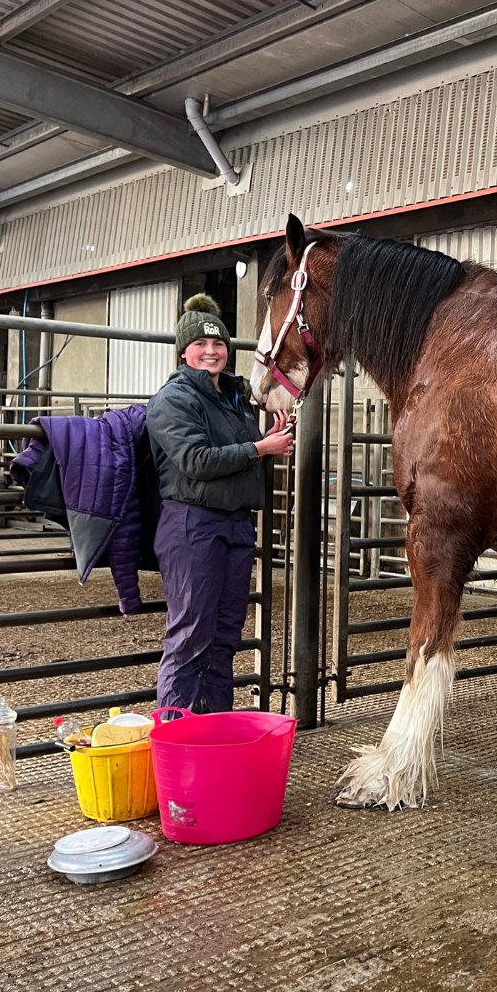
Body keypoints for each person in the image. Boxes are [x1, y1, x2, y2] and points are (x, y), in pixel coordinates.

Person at [146, 294, 295, 713]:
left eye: (219, 345)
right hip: (193, 524)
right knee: (191, 634)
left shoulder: (233, 399)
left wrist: (267, 445)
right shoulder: (175, 400)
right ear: (184, 352)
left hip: (235, 524)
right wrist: (260, 447)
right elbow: (195, 461)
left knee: (226, 634)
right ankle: (176, 734)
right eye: (201, 345)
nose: (211, 352)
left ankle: (214, 731)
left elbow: (245, 462)